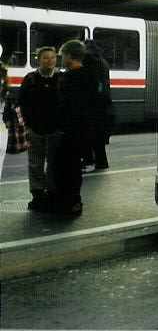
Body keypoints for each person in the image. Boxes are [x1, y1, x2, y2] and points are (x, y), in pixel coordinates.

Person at [55, 39, 102, 217]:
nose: (61, 58)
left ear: (69, 56)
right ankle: (72, 201)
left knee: (66, 166)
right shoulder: (88, 76)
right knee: (72, 166)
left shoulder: (72, 78)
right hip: (81, 130)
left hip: (72, 130)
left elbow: (68, 105)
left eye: (63, 55)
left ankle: (70, 201)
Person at [17, 47, 61, 211]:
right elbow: (20, 104)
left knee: (53, 163)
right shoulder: (30, 79)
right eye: (45, 58)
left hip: (55, 130)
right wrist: (26, 126)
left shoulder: (61, 79)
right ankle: (37, 194)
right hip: (35, 129)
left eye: (52, 58)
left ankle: (52, 192)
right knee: (35, 163)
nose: (49, 61)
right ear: (38, 60)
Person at [81, 39, 112, 172]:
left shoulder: (89, 60)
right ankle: (101, 162)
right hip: (103, 103)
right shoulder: (102, 61)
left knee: (88, 134)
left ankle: (89, 162)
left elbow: (96, 83)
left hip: (93, 104)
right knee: (98, 136)